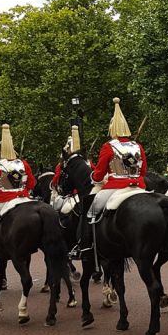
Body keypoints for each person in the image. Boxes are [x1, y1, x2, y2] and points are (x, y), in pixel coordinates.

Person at [69, 98, 147, 259]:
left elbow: (98, 174)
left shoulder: (109, 146)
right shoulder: (137, 146)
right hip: (138, 186)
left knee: (91, 212)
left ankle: (86, 246)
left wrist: (97, 178)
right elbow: (143, 170)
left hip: (115, 187)